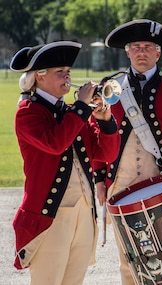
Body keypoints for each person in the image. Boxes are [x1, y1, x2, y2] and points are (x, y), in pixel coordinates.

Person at [93, 19, 162, 285]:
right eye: (136, 47)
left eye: (148, 47)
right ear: (127, 52)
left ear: (158, 53)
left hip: (159, 176)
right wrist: (98, 179)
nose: (142, 52)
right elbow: (97, 133)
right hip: (119, 178)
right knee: (128, 252)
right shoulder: (110, 88)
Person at [10, 41, 121, 284]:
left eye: (68, 71)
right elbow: (55, 143)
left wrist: (104, 119)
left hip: (84, 212)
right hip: (50, 215)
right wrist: (81, 107)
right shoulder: (28, 112)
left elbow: (106, 154)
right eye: (59, 72)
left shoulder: (73, 112)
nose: (67, 77)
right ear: (39, 77)